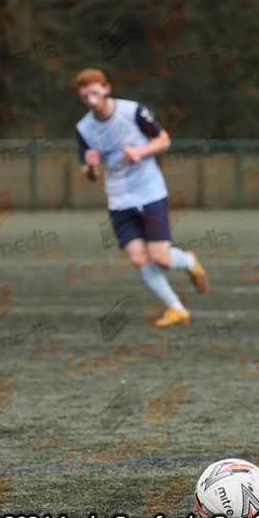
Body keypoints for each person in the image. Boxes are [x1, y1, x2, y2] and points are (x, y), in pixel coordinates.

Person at [74, 68, 208, 327]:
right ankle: (176, 308)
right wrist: (90, 167)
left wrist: (140, 151)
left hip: (149, 193)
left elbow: (163, 140)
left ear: (107, 88)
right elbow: (91, 176)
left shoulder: (133, 111)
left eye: (94, 93)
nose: (91, 101)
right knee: (137, 258)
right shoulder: (84, 128)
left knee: (161, 258)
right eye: (84, 97)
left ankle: (189, 261)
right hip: (118, 200)